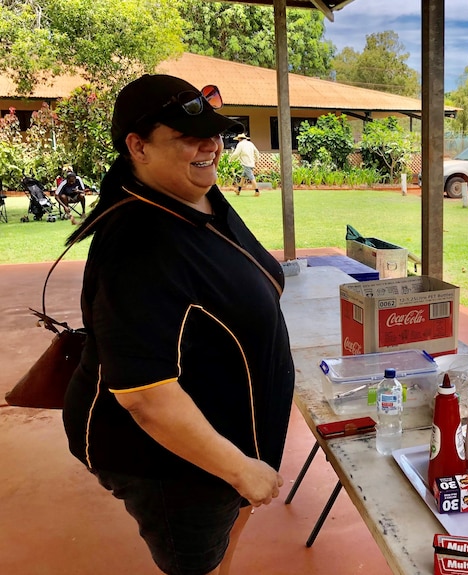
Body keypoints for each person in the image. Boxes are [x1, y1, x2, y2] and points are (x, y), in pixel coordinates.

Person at [62, 74, 295, 575]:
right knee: (198, 562)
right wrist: (241, 470)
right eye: (188, 136)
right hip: (174, 463)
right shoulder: (137, 244)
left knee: (224, 537)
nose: (210, 145)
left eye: (214, 133)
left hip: (231, 439)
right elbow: (145, 397)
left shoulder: (196, 194)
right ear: (137, 146)